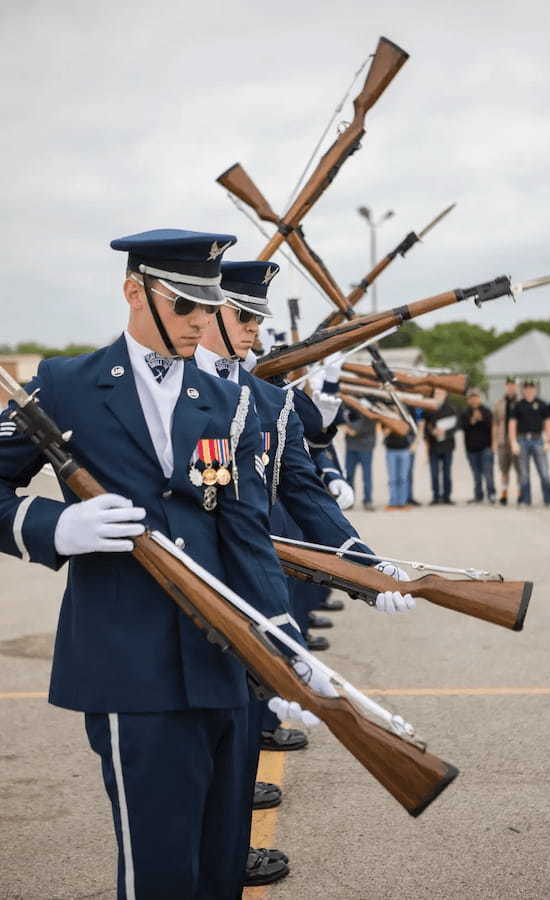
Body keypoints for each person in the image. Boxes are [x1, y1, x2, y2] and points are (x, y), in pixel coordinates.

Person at [0, 229, 319, 899]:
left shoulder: (228, 401)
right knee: (162, 873)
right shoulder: (67, 384)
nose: (200, 322)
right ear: (133, 292)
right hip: (130, 667)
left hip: (226, 664)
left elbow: (246, 535)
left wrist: (285, 645)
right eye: (184, 307)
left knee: (219, 865)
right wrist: (59, 525)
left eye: (208, 308)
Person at [194, 258, 417, 882]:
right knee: (193, 757)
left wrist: (366, 568)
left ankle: (228, 854)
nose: (253, 331)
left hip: (254, 593)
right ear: (209, 312)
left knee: (240, 737)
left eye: (258, 320)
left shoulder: (267, 400)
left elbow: (304, 488)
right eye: (243, 316)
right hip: (188, 595)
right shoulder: (160, 389)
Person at [508, 380, 550, 506]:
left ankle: (548, 500)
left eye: (531, 388)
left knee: (544, 471)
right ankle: (526, 500)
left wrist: (548, 440)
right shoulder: (518, 405)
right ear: (523, 390)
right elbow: (512, 424)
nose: (529, 390)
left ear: (535, 389)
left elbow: (548, 422)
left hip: (538, 439)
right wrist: (513, 442)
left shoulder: (542, 404)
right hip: (522, 440)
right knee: (524, 473)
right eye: (526, 388)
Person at [460, 388, 496, 503]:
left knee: (488, 473)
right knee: (476, 474)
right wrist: (472, 421)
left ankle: (491, 494)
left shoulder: (487, 411)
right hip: (471, 448)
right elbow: (462, 427)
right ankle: (478, 496)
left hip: (486, 447)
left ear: (480, 398)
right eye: (471, 398)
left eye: (476, 397)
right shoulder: (465, 412)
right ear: (468, 400)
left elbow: (492, 427)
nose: (474, 400)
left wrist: (482, 419)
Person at [423, 389, 457, 504]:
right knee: (434, 473)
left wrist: (445, 433)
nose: (438, 396)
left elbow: (456, 426)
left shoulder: (451, 408)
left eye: (441, 393)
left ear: (446, 394)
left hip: (447, 446)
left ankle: (447, 496)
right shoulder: (429, 408)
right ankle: (435, 496)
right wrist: (432, 432)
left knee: (447, 473)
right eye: (436, 393)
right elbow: (425, 426)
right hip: (433, 446)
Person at [492, 377, 521, 505]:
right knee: (504, 469)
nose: (511, 387)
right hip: (502, 441)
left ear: (516, 386)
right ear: (506, 386)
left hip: (517, 441)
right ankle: (504, 494)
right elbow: (495, 423)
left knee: (520, 469)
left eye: (513, 385)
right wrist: (494, 441)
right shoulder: (499, 403)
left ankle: (521, 494)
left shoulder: (521, 402)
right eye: (509, 385)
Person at [342, 406, 376, 510]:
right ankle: (350, 501)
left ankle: (368, 501)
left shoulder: (369, 409)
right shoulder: (348, 409)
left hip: (365, 447)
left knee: (366, 476)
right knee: (349, 475)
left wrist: (346, 427)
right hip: (351, 447)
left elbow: (355, 430)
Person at [382, 422, 413, 509]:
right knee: (392, 479)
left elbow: (411, 430)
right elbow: (385, 433)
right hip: (391, 451)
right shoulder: (386, 418)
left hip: (405, 450)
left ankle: (402, 503)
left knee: (403, 478)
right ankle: (393, 502)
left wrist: (414, 444)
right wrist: (393, 425)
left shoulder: (405, 417)